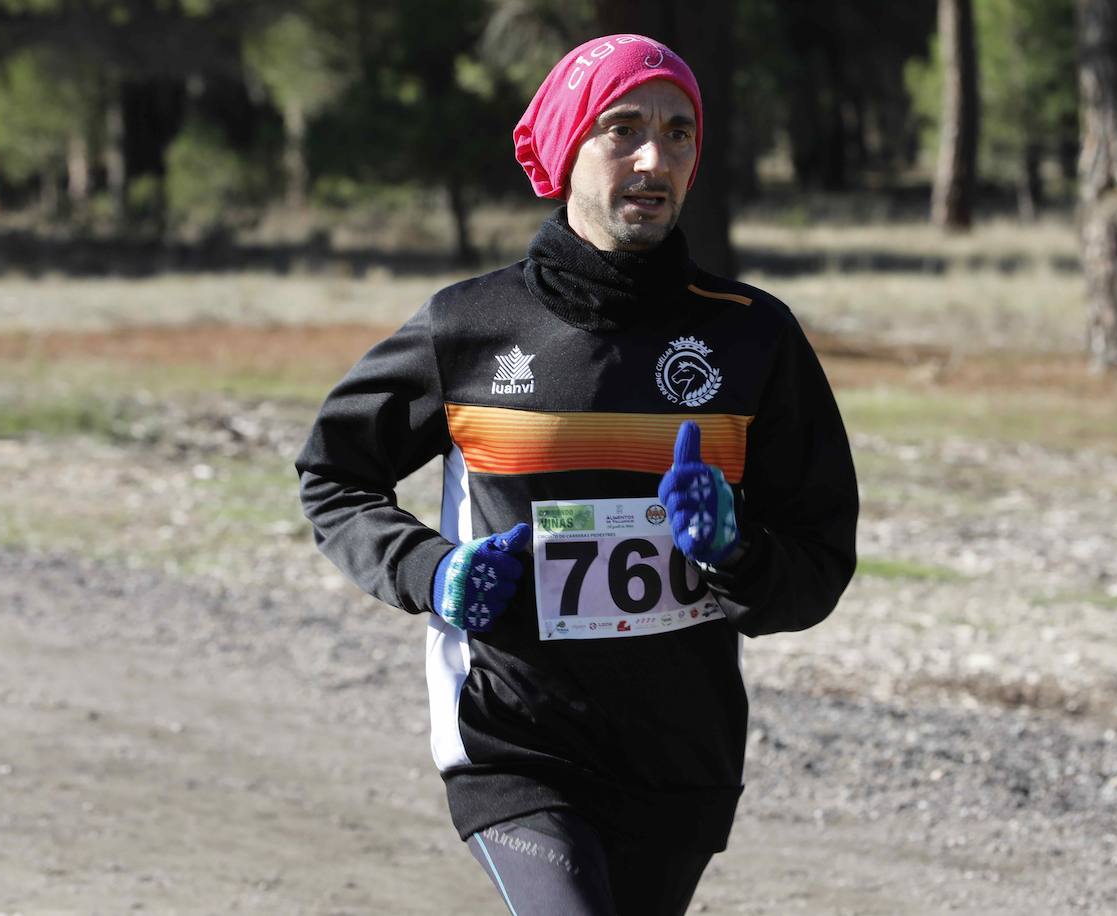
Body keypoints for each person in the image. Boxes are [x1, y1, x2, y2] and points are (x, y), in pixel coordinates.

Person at [296, 33, 857, 916]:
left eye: (678, 134)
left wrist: (737, 554)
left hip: (682, 758)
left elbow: (819, 565)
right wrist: (431, 572)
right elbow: (333, 476)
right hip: (513, 742)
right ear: (565, 149)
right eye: (621, 129)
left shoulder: (754, 340)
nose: (653, 158)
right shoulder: (468, 328)